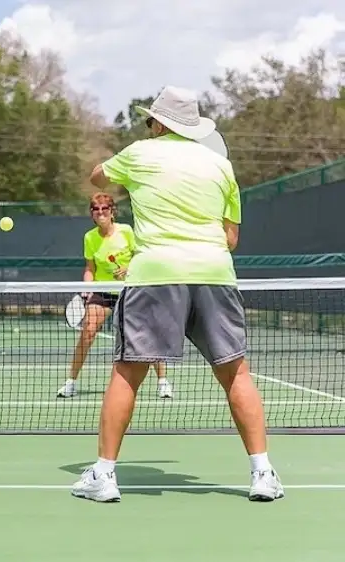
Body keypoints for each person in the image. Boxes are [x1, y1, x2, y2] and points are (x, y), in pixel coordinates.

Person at [70, 86, 283, 503]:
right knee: (236, 373)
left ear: (160, 123)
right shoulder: (222, 167)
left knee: (128, 371)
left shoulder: (139, 153)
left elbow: (97, 177)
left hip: (156, 274)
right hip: (215, 274)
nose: (147, 126)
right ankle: (263, 473)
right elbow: (231, 237)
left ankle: (104, 475)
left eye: (150, 120)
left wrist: (122, 175)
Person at [56, 192, 173, 400]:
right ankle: (71, 382)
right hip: (103, 291)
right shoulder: (90, 237)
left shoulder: (126, 231)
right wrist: (86, 287)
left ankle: (163, 382)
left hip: (130, 290)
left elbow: (142, 256)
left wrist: (129, 267)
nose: (100, 213)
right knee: (88, 331)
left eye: (104, 209)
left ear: (112, 212)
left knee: (148, 334)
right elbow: (90, 268)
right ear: (92, 214)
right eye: (96, 209)